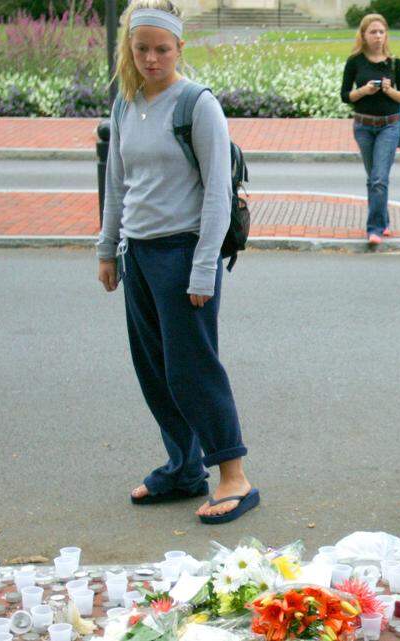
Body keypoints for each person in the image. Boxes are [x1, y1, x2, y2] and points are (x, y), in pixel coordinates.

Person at [96, 0, 258, 525]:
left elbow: (216, 192)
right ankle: (186, 468)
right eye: (141, 48)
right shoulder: (125, 104)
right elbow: (117, 184)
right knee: (155, 369)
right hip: (138, 253)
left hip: (184, 251)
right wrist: (107, 249)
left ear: (178, 49)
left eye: (161, 49)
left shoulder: (197, 104)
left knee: (192, 368)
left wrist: (204, 266)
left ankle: (234, 476)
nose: (150, 58)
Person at [341, 13, 400, 245]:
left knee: (379, 179)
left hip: (389, 126)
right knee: (374, 178)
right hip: (363, 126)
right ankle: (384, 221)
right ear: (364, 35)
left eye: (381, 32)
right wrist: (364, 91)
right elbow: (345, 96)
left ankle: (375, 229)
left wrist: (390, 91)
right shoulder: (355, 62)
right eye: (373, 32)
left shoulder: (394, 63)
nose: (378, 36)